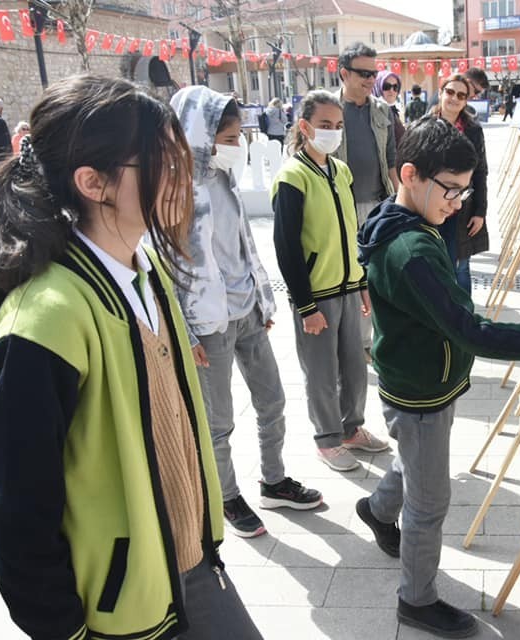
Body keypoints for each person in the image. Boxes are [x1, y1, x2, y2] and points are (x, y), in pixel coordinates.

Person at [0, 75, 263, 640]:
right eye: (165, 163)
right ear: (93, 182)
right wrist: (64, 629)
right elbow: (16, 513)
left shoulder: (144, 272)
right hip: (118, 609)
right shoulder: (45, 317)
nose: (185, 178)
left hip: (188, 564)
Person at [353, 116, 520, 638]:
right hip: (420, 389)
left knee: (417, 462)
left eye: (465, 190)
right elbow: (472, 332)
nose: (457, 203)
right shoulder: (410, 252)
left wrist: (449, 212)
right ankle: (415, 600)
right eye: (450, 190)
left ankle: (376, 509)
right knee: (430, 500)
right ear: (410, 175)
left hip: (421, 377)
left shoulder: (402, 220)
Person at [170, 85, 322, 538]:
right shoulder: (171, 191)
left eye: (239, 137)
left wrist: (261, 298)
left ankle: (273, 481)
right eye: (230, 138)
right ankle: (227, 496)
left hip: (247, 315)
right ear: (199, 134)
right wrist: (188, 333)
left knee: (272, 400)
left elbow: (242, 245)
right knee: (218, 421)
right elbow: (165, 267)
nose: (238, 147)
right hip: (207, 326)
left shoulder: (222, 178)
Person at [271, 90, 389, 472]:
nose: (332, 133)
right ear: (304, 127)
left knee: (355, 365)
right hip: (316, 295)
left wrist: (362, 281)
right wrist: (305, 307)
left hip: (348, 287)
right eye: (324, 126)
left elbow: (351, 230)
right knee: (321, 372)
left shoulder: (341, 171)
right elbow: (287, 248)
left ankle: (352, 428)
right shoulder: (292, 176)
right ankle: (327, 438)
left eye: (337, 126)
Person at [335, 42, 398, 357]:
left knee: (379, 274)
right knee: (350, 275)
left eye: (373, 73)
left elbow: (392, 160)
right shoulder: (327, 109)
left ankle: (377, 339)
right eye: (363, 73)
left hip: (380, 205)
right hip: (340, 208)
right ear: (344, 73)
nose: (370, 79)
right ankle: (356, 342)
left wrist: (399, 205)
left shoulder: (381, 109)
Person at [430, 73, 489, 294]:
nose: (454, 98)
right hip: (431, 206)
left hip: (462, 208)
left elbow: (481, 171)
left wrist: (480, 211)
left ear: (466, 100)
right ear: (441, 93)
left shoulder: (473, 130)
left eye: (461, 95)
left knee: (461, 266)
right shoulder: (426, 125)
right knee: (434, 264)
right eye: (450, 92)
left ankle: (464, 318)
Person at [373, 70, 406, 147]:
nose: (391, 91)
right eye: (386, 86)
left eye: (395, 87)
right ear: (378, 87)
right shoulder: (375, 112)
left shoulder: (393, 110)